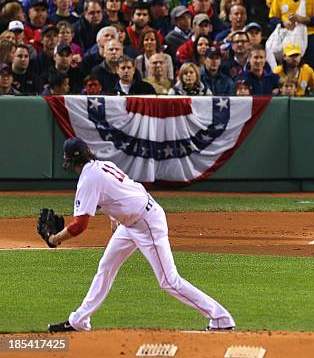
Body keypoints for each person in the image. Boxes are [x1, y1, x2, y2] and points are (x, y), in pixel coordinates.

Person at [46, 137, 236, 332]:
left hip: (147, 223)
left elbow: (79, 226)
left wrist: (54, 239)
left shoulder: (88, 179)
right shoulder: (101, 165)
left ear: (69, 160)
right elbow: (121, 191)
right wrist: (115, 219)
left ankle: (220, 318)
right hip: (131, 223)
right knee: (106, 267)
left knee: (169, 281)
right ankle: (79, 320)